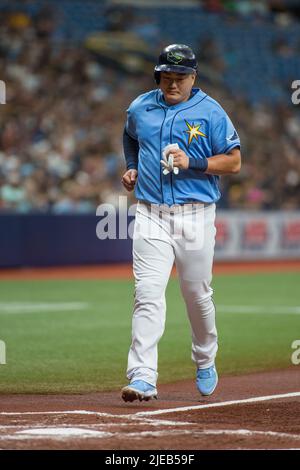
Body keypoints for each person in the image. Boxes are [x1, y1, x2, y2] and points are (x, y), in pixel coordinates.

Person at [121, 44, 241, 402]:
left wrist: (193, 162)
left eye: (180, 78)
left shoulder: (211, 112)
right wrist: (131, 166)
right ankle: (142, 376)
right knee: (147, 294)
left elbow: (234, 162)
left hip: (195, 214)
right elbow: (130, 136)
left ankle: (205, 358)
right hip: (149, 213)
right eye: (166, 77)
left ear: (194, 77)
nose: (172, 84)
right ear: (158, 75)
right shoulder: (140, 106)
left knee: (196, 295)